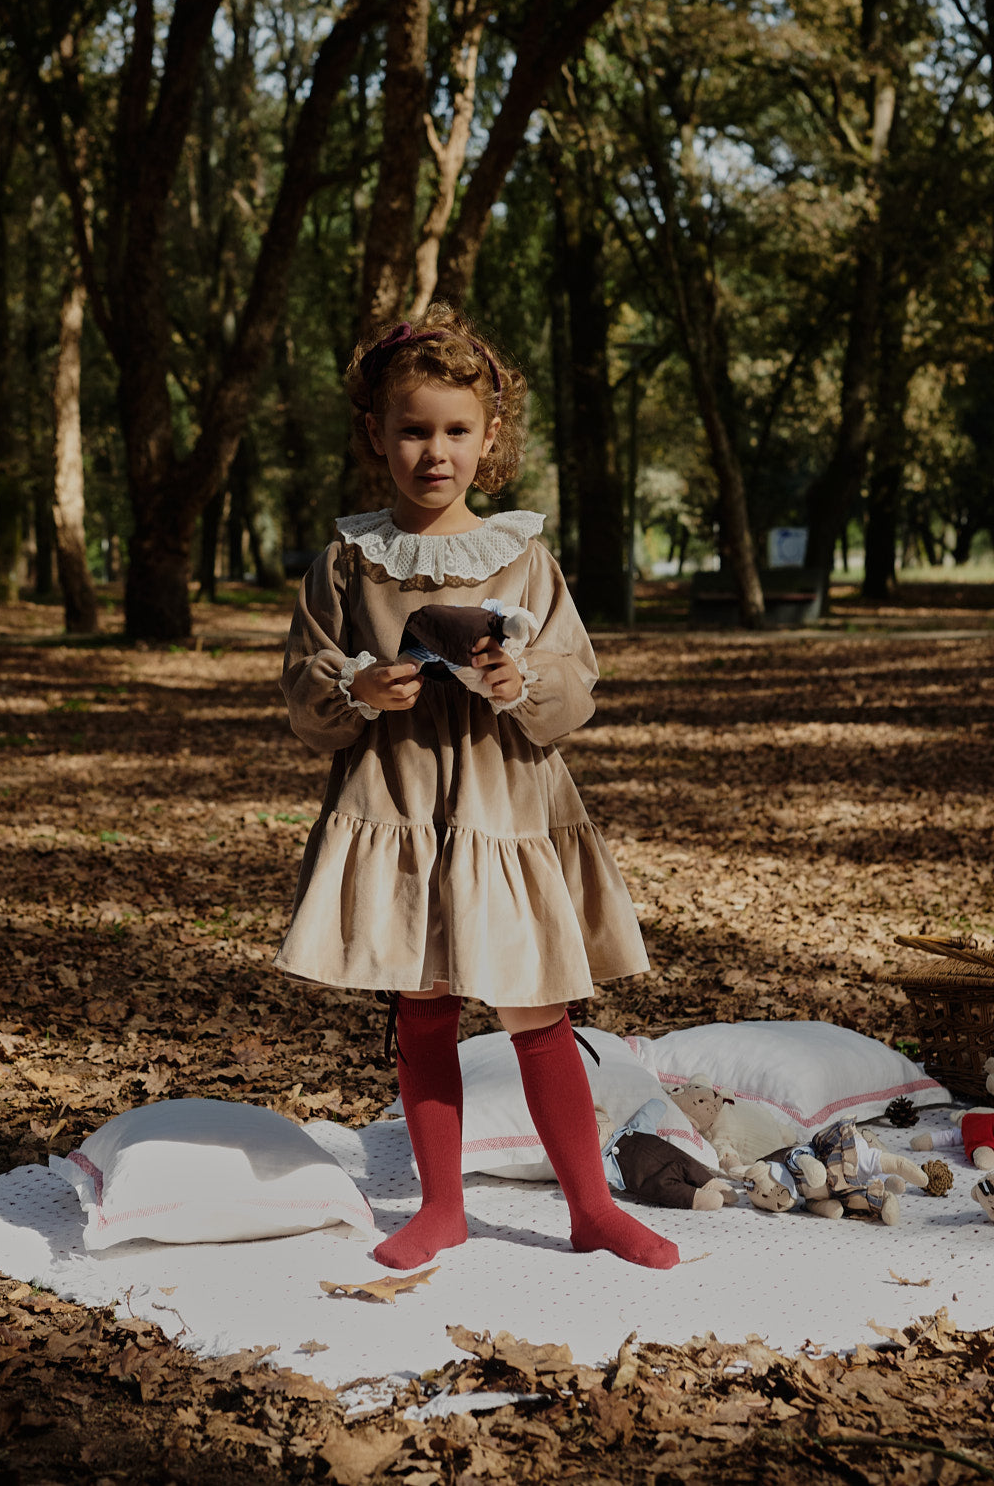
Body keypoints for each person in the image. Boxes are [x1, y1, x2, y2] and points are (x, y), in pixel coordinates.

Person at [278, 306, 678, 1273]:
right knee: (424, 1006)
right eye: (412, 429)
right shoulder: (344, 562)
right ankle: (443, 1207)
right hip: (401, 805)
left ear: (489, 437)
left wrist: (519, 681)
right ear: (376, 433)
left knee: (537, 1006)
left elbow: (574, 680)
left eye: (456, 430)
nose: (434, 451)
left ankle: (590, 1207)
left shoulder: (520, 556)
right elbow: (305, 685)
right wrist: (361, 687)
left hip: (507, 808)